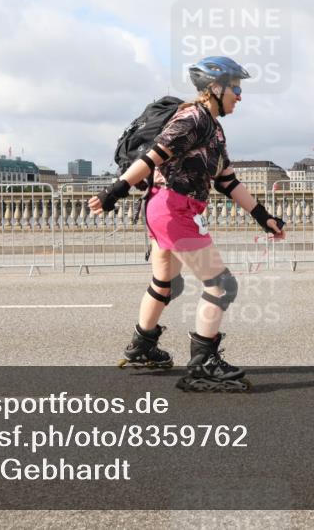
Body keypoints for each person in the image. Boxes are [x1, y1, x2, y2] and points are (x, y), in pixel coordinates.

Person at [89, 56, 285, 392]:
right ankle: (202, 365)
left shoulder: (214, 130)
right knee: (222, 285)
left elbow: (228, 181)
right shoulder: (192, 118)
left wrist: (263, 216)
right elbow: (154, 155)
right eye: (235, 87)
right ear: (214, 88)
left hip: (166, 209)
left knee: (165, 284)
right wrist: (115, 191)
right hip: (173, 209)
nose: (239, 95)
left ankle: (142, 345)